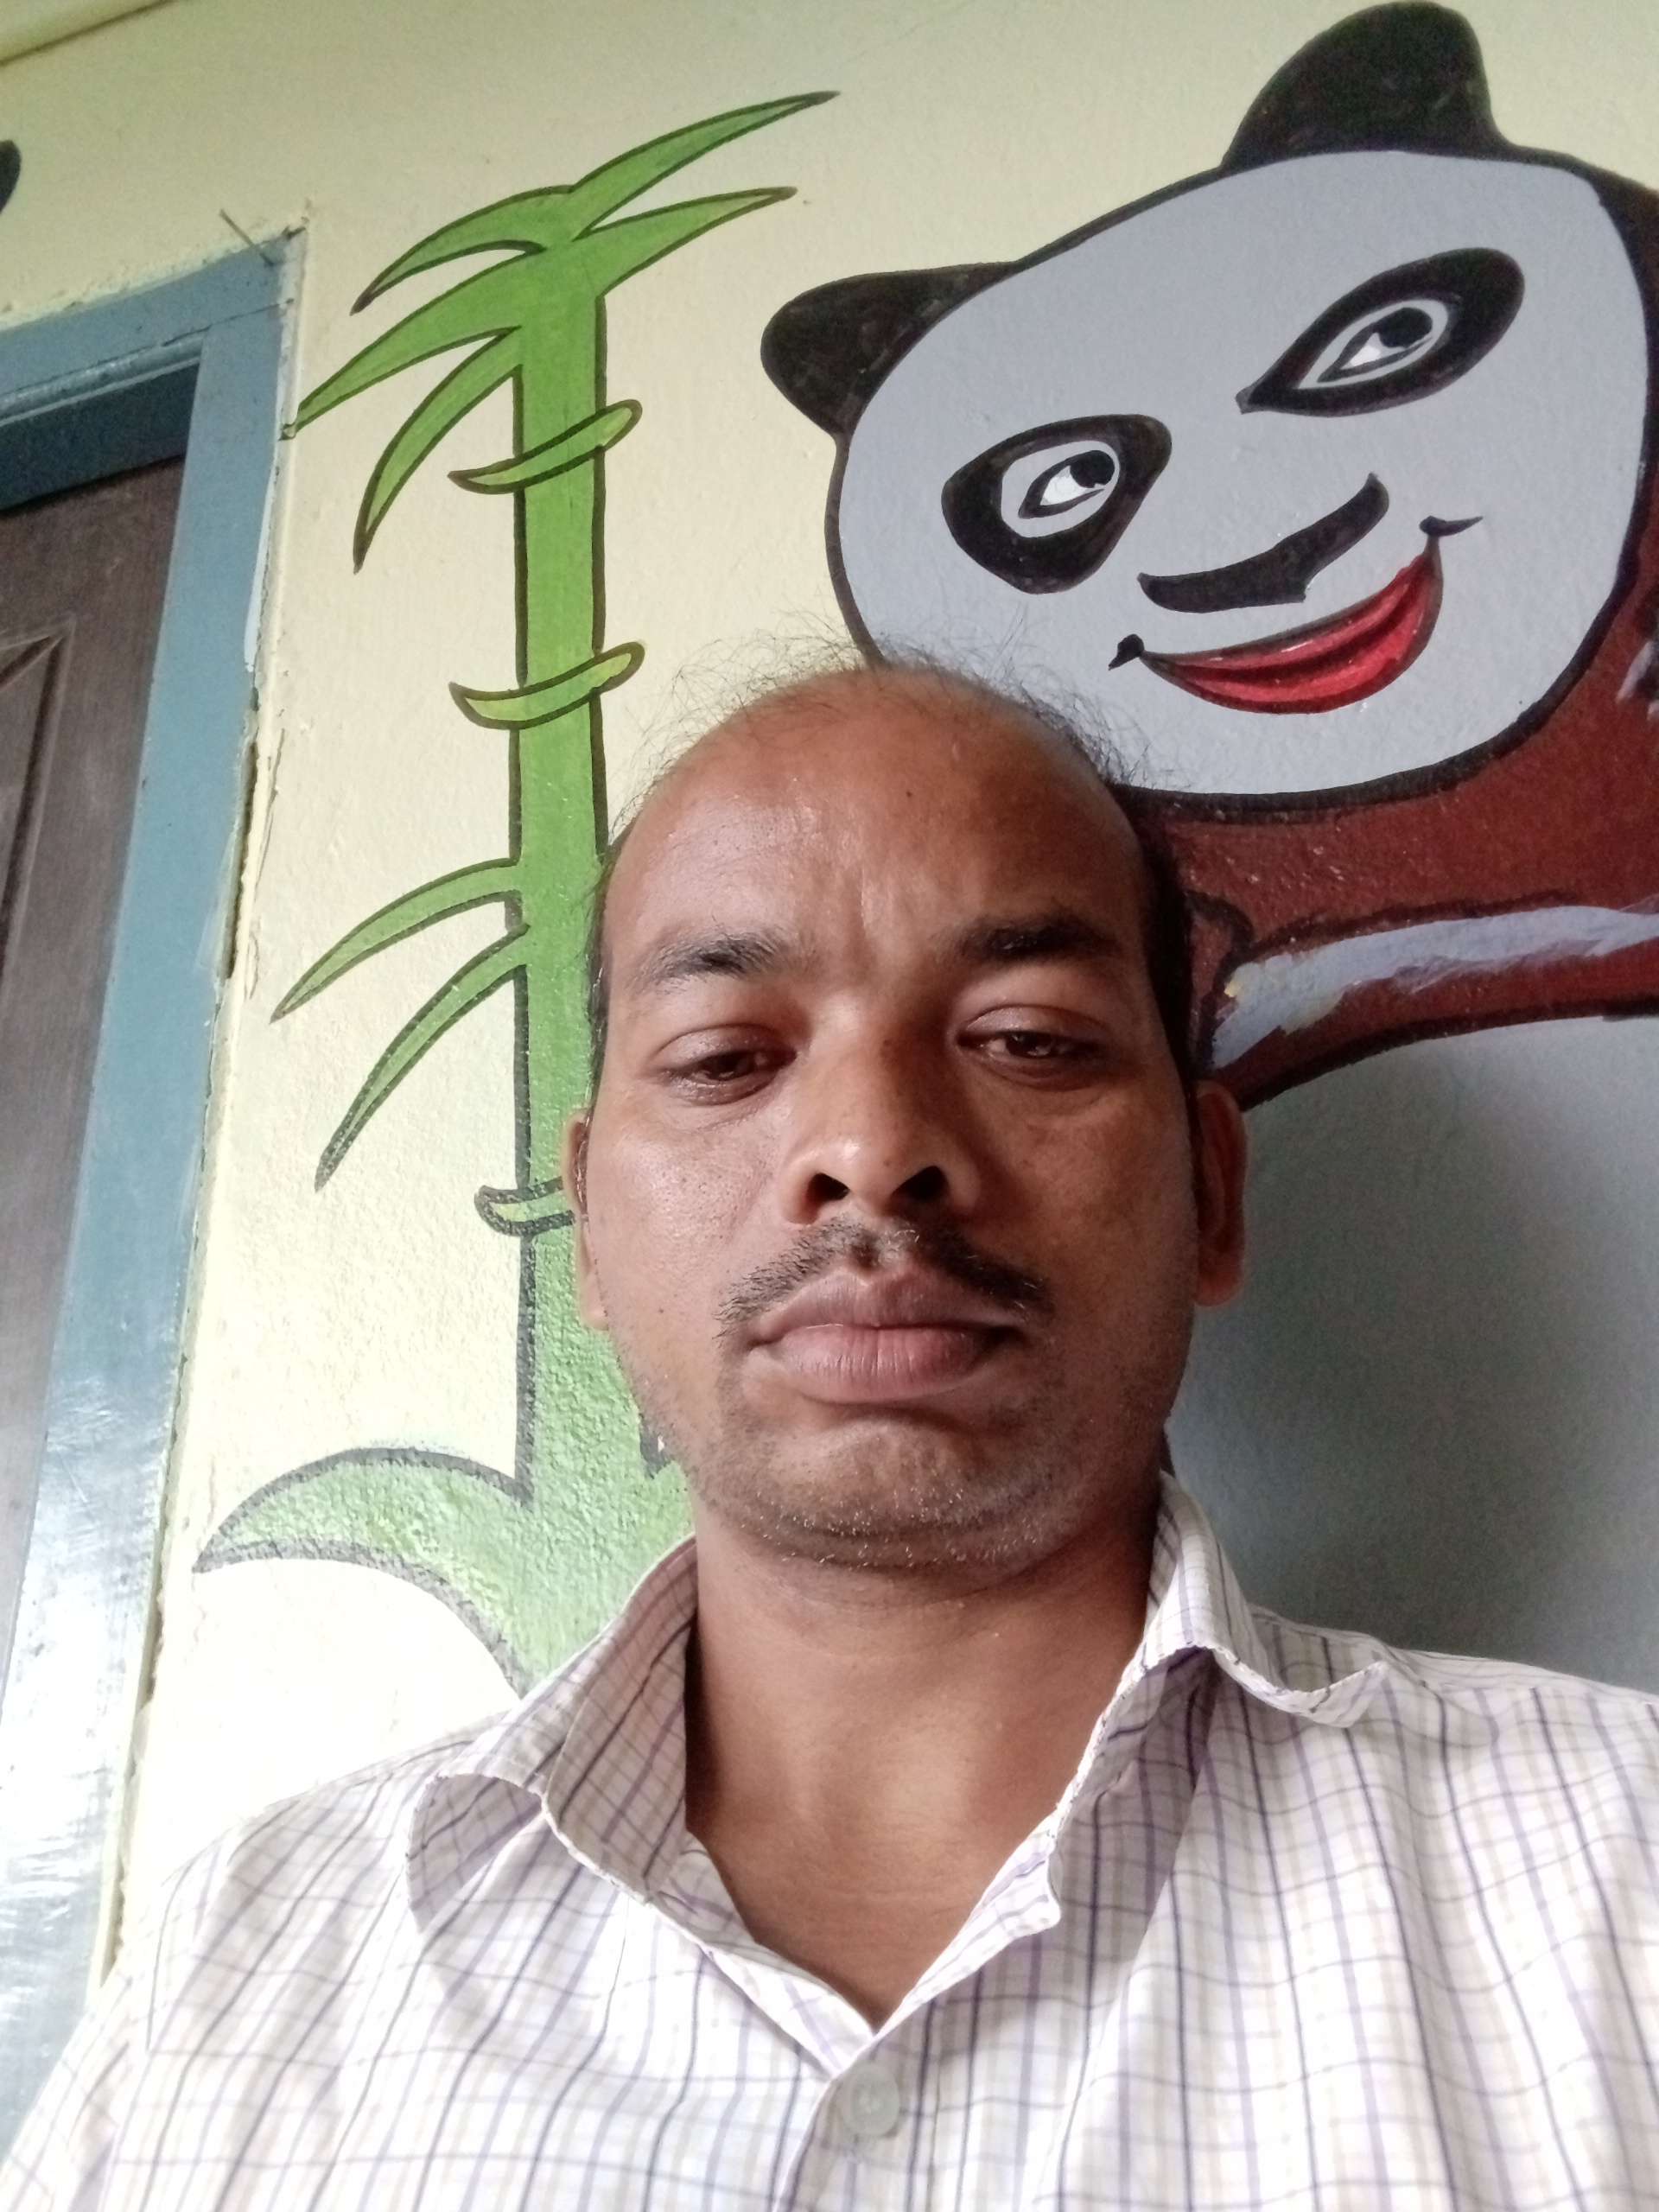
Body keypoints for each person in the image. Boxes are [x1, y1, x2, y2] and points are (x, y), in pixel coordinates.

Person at [4, 662, 1656, 2209]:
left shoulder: (1618, 1872)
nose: (871, 1147)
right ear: (587, 1237)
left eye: (1027, 1039)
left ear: (1211, 1195)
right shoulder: (248, 1973)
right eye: (727, 1057)